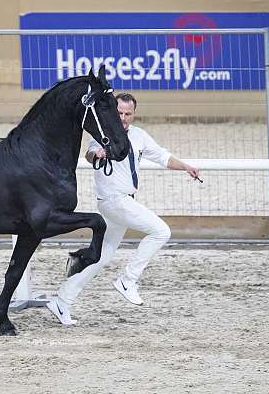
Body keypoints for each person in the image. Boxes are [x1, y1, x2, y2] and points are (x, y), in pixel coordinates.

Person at [46, 92, 201, 325]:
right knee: (161, 232)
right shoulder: (103, 133)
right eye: (120, 113)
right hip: (113, 201)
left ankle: (62, 301)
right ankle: (128, 280)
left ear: (134, 114)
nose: (124, 118)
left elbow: (162, 156)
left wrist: (186, 167)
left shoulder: (139, 136)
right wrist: (96, 154)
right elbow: (90, 153)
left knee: (102, 256)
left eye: (128, 114)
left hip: (124, 202)